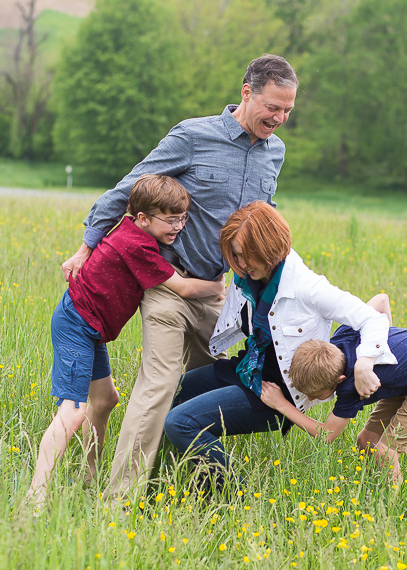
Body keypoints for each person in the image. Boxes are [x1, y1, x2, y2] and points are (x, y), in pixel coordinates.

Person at [59, 54, 299, 498]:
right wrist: (87, 244)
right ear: (247, 93)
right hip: (169, 286)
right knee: (158, 386)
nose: (280, 119)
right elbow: (131, 188)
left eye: (288, 111)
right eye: (273, 108)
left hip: (218, 296)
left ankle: (173, 488)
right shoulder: (193, 136)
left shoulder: (275, 153)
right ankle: (120, 501)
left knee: (201, 402)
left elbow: (266, 217)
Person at [163, 202, 396, 488]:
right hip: (249, 368)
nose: (243, 264)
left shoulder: (308, 288)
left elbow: (373, 319)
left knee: (180, 422)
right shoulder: (247, 277)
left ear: (270, 247)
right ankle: (177, 480)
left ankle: (237, 498)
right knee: (172, 392)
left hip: (279, 390)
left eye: (249, 255)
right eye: (235, 255)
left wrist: (364, 363)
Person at [26, 175, 225, 507]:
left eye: (183, 218)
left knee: (104, 401)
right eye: (171, 220)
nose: (178, 227)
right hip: (77, 323)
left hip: (91, 327)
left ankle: (88, 478)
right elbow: (186, 289)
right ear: (143, 219)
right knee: (73, 413)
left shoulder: (134, 231)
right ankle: (35, 496)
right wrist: (219, 287)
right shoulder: (137, 244)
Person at [260, 295, 407, 484]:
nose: (310, 398)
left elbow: (327, 435)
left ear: (339, 380)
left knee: (384, 451)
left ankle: (394, 506)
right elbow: (381, 300)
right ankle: (372, 485)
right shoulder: (343, 335)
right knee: (366, 440)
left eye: (315, 394)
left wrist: (282, 405)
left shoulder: (351, 387)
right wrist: (382, 354)